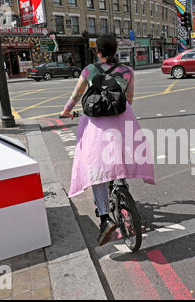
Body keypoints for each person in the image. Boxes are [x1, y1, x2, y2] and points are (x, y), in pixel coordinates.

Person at [60, 34, 155, 246]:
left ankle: (104, 219)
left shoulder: (89, 70)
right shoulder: (128, 71)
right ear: (116, 50)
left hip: (96, 124)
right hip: (122, 120)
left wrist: (66, 111)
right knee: (123, 152)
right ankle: (121, 183)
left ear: (98, 51)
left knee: (96, 168)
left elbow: (76, 96)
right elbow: (129, 100)